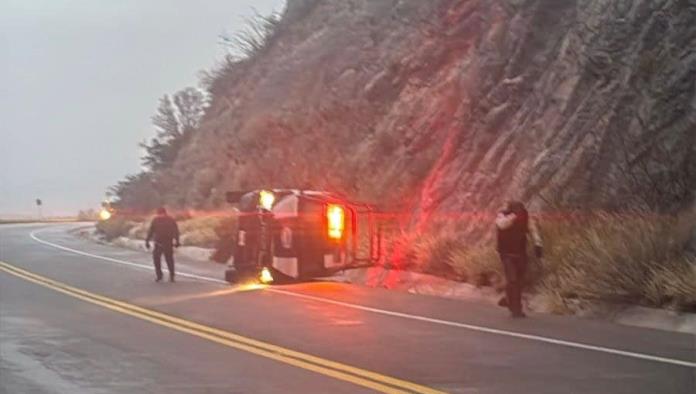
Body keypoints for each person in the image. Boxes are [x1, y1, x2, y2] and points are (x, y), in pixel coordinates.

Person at [495, 201, 542, 318]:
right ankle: (516, 309)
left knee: (519, 282)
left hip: (520, 253)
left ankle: (509, 299)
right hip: (506, 254)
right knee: (513, 280)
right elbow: (501, 225)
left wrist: (538, 244)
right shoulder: (503, 215)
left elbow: (533, 229)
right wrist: (513, 217)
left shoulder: (526, 217)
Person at [145, 207, 180, 282]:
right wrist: (147, 241)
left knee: (169, 259)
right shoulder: (156, 220)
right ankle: (159, 275)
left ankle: (171, 275)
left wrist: (177, 241)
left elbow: (175, 231)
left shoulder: (170, 220)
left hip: (167, 242)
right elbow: (151, 231)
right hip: (158, 243)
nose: (160, 216)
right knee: (156, 259)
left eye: (161, 214)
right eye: (159, 214)